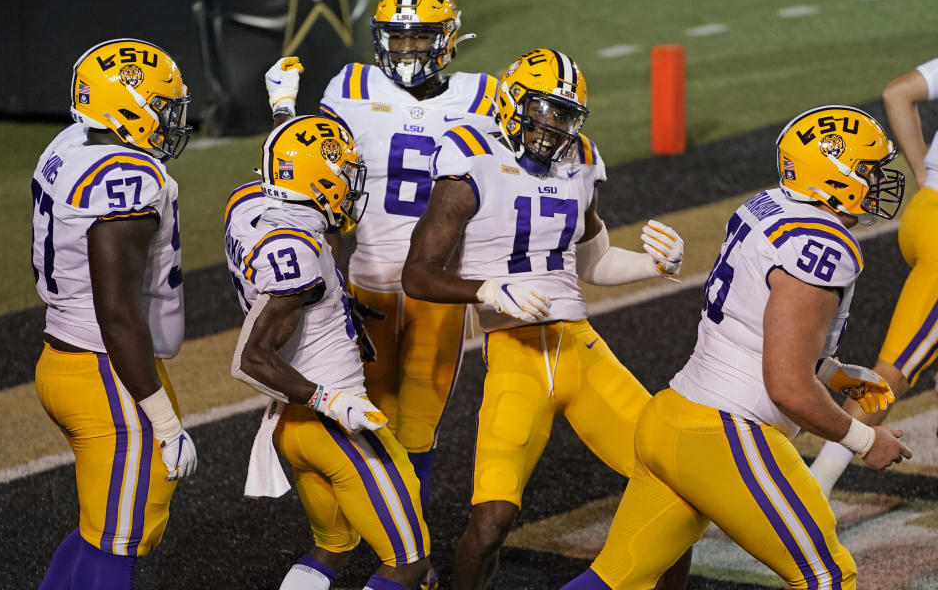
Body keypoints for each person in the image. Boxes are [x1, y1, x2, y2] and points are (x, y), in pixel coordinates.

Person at [562, 105, 911, 590]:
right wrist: (865, 441)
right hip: (728, 431)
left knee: (614, 579)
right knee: (828, 578)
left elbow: (755, 324)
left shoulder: (767, 206)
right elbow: (787, 386)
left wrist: (833, 373)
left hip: (674, 418)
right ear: (836, 175)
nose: (878, 181)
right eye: (868, 170)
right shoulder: (822, 247)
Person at [401, 48, 691, 590]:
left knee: (676, 482)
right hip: (516, 358)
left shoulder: (581, 159)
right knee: (492, 523)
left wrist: (655, 264)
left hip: (580, 348)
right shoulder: (469, 158)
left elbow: (593, 261)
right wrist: (487, 289)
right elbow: (417, 275)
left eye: (564, 115)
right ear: (513, 100)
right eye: (543, 109)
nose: (551, 127)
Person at [316, 0, 497, 589]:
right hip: (367, 284)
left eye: (420, 39)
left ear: (447, 38)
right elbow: (315, 177)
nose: (406, 51)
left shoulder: (485, 95)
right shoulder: (349, 87)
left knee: (414, 433)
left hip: (436, 295)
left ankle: (395, 554)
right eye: (396, 38)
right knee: (367, 422)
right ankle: (397, 558)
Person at [224, 110, 431, 590]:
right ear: (318, 180)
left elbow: (302, 212)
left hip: (290, 427)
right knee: (412, 564)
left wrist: (282, 111)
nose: (350, 183)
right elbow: (250, 359)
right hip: (333, 423)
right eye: (343, 173)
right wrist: (330, 399)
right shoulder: (297, 251)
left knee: (334, 547)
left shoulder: (248, 208)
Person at [33, 38, 198, 590]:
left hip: (64, 355)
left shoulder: (71, 144)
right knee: (120, 539)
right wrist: (167, 423)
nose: (172, 117)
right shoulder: (124, 179)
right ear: (130, 104)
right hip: (107, 371)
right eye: (163, 105)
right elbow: (118, 312)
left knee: (100, 528)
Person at [810, 63, 938, 496]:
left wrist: (924, 173)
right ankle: (817, 484)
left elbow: (897, 93)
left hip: (924, 214)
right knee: (893, 372)